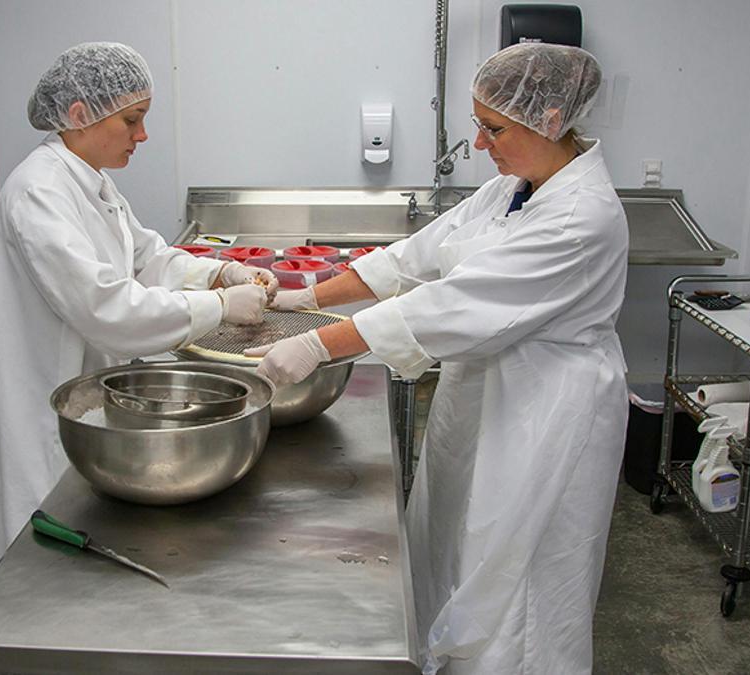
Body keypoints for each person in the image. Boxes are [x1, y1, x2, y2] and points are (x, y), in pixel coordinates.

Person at [248, 43, 628, 673]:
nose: (480, 144)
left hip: (547, 411)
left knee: (521, 582)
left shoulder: (579, 217)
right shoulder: (515, 187)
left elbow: (443, 307)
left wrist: (314, 343)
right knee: (457, 543)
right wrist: (303, 297)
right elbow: (412, 259)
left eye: (493, 127)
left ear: (553, 118)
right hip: (486, 394)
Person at [0, 42, 276, 576]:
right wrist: (217, 306)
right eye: (132, 120)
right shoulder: (38, 192)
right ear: (79, 114)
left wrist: (217, 271)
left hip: (93, 396)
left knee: (88, 556)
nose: (142, 136)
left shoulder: (91, 181)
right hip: (49, 405)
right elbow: (104, 308)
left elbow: (144, 256)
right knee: (42, 569)